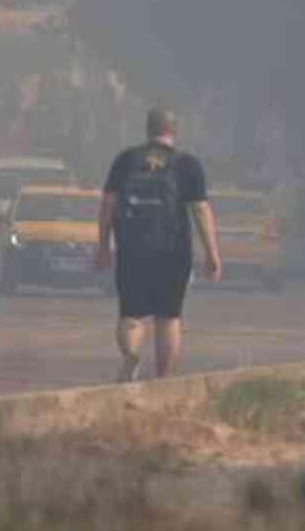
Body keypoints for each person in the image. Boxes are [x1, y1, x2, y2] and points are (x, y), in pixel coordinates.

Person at [95, 107, 223, 381]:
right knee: (168, 317)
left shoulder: (126, 160)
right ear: (174, 131)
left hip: (132, 249)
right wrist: (212, 254)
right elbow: (200, 209)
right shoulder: (187, 164)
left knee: (132, 314)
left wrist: (103, 245)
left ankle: (131, 353)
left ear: (148, 129)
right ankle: (163, 379)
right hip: (172, 253)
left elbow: (108, 203)